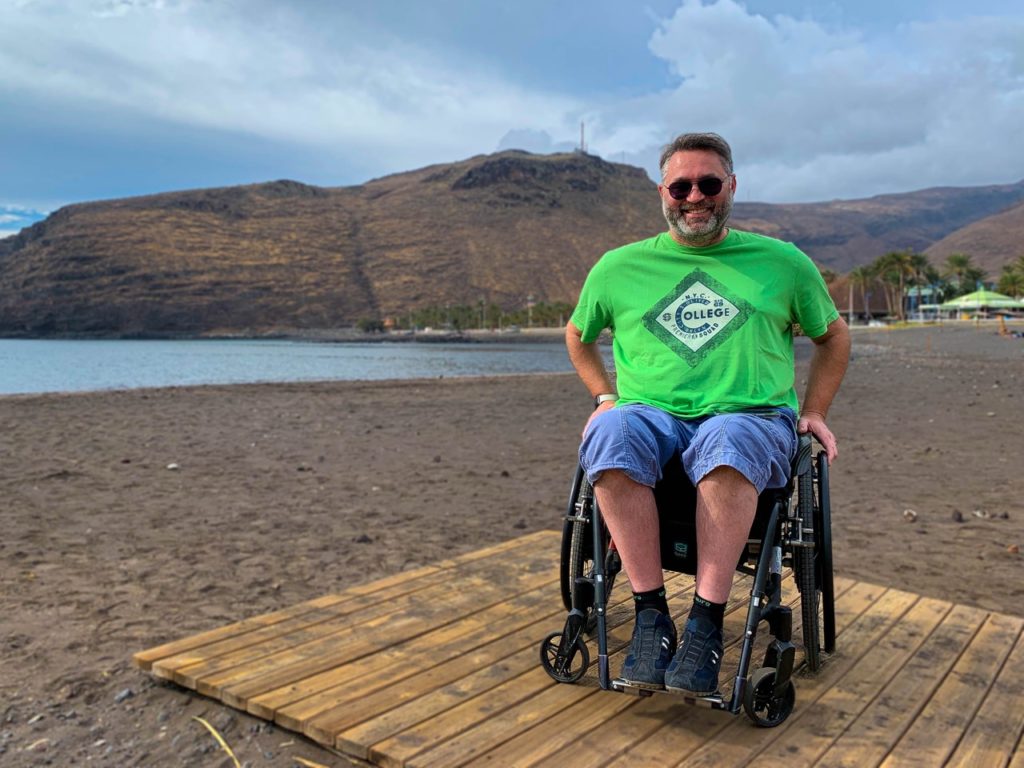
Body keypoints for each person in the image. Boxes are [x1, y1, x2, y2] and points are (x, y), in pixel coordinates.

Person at [565, 132, 850, 696]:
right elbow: (578, 334)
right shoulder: (618, 267)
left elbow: (833, 338)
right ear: (662, 192)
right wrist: (604, 397)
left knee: (728, 438)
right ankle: (650, 614)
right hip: (652, 413)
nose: (695, 196)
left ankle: (704, 622)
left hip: (752, 414)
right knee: (610, 434)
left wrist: (814, 410)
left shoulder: (782, 262)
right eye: (682, 185)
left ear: (732, 187)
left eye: (710, 183)